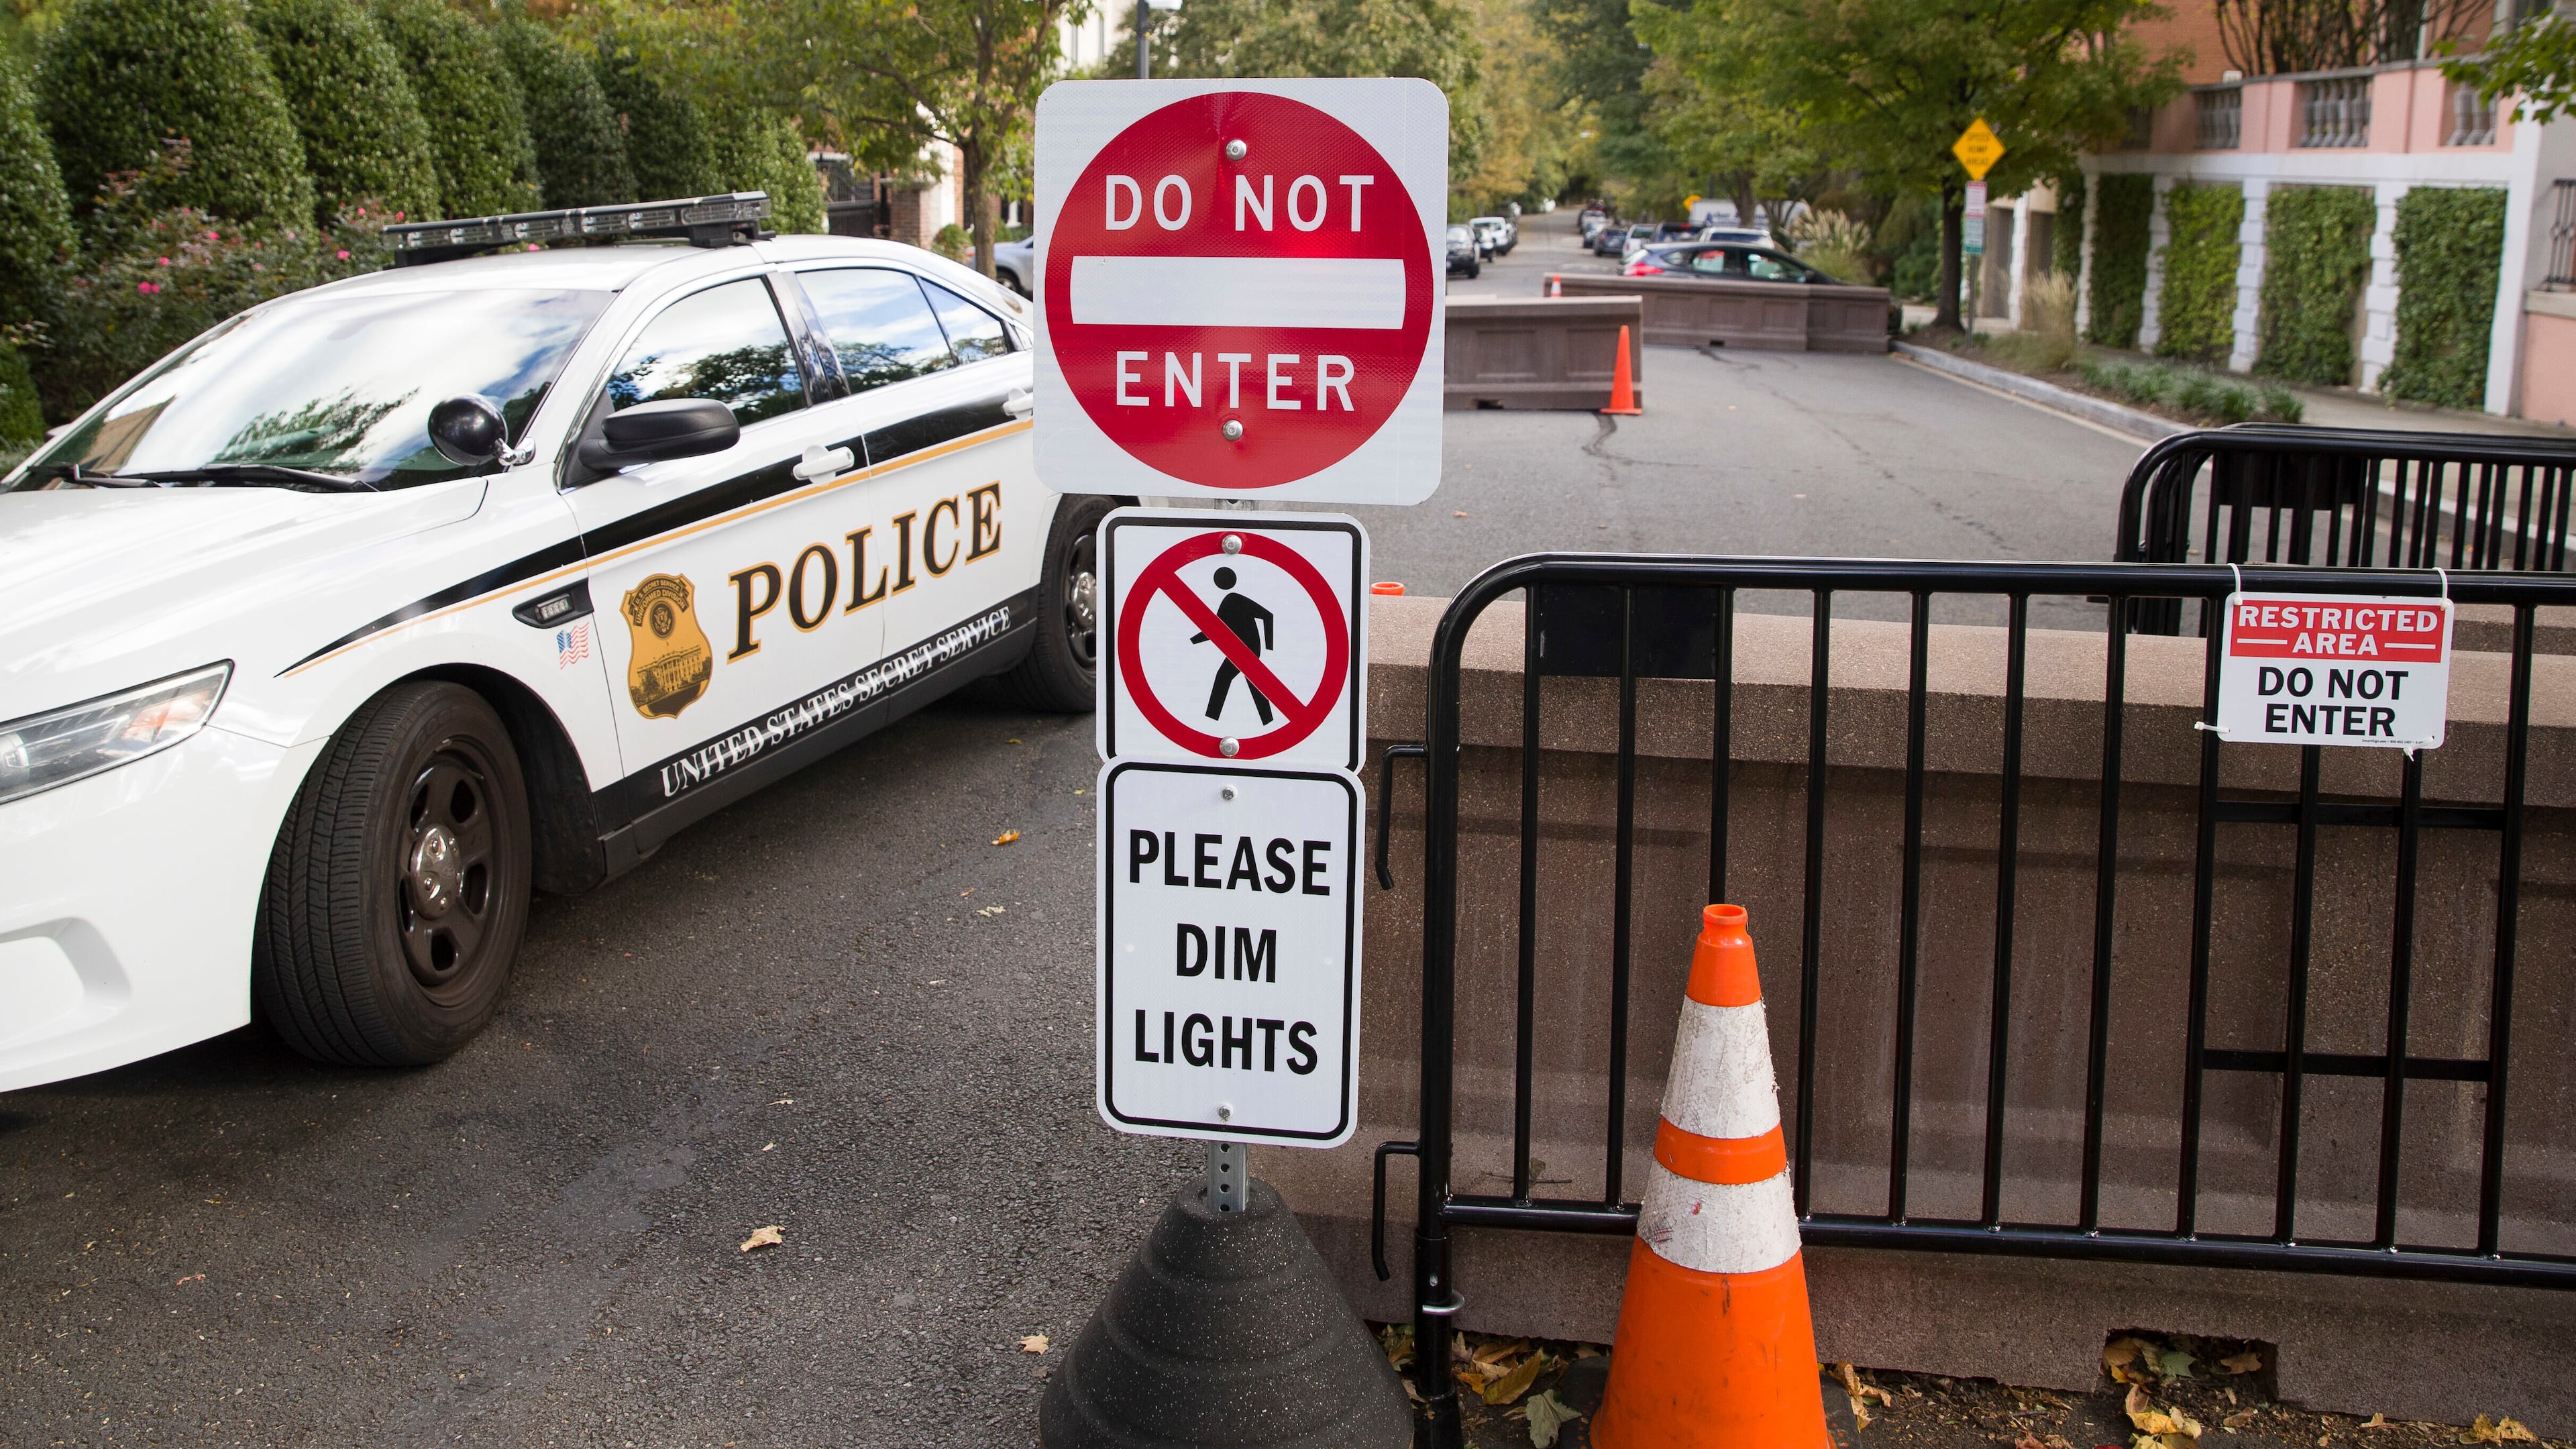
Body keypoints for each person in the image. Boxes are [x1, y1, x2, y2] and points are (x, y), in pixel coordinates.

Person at [1192, 566, 1276, 724]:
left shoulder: (1234, 600)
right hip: (1237, 650)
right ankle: (1268, 721)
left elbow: (1268, 616)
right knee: (1252, 683)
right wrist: (1192, 641)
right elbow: (1213, 630)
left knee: (1223, 677)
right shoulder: (1227, 602)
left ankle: (1210, 720)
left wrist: (1269, 647)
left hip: (1247, 650)